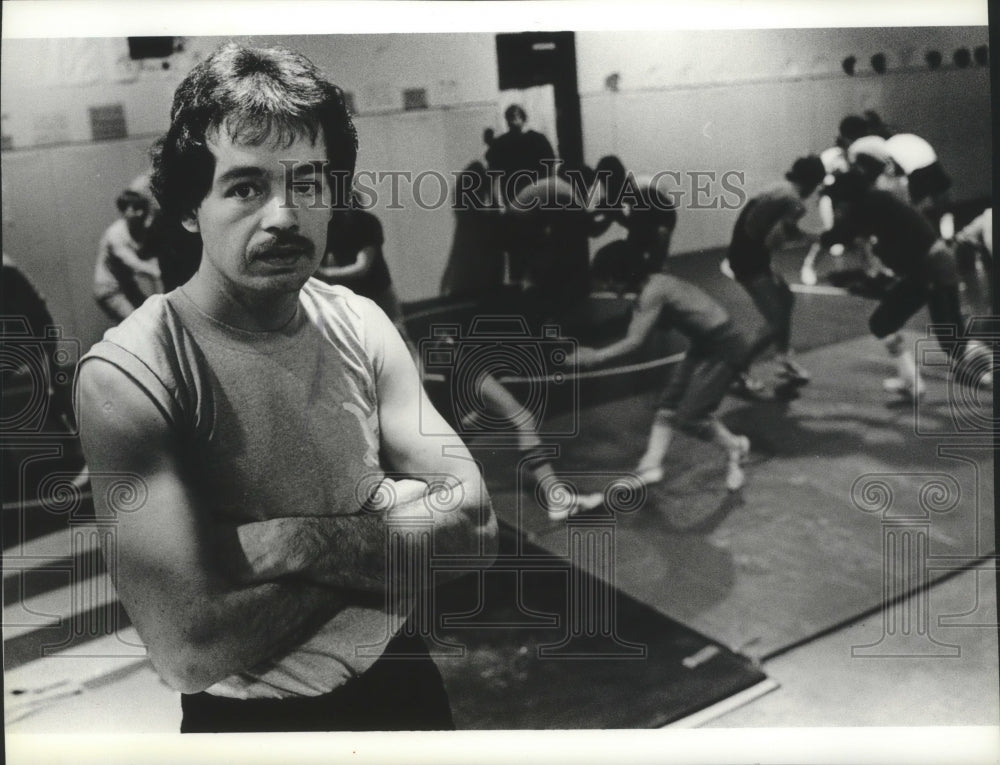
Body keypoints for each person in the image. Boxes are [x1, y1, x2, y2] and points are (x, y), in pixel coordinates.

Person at [75, 42, 497, 733]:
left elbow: (476, 531)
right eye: (245, 187)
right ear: (190, 208)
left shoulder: (361, 322)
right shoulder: (132, 373)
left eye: (307, 183)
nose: (283, 216)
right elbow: (189, 648)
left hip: (402, 679)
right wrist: (394, 523)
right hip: (256, 726)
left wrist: (294, 542)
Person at [572, 240, 752, 492]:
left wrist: (596, 357)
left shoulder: (654, 291)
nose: (609, 287)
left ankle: (736, 446)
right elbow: (628, 323)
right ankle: (651, 464)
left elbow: (635, 341)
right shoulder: (654, 285)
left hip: (724, 347)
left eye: (609, 279)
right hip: (705, 345)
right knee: (667, 404)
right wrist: (579, 337)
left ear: (623, 272)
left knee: (691, 417)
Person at [822, 169, 990, 399]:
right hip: (937, 264)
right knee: (947, 336)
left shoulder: (868, 205)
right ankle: (913, 380)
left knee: (887, 324)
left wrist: (809, 236)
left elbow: (836, 235)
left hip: (930, 270)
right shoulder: (879, 200)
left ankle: (913, 381)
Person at [721, 155, 826, 387]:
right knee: (775, 322)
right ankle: (735, 371)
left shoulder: (780, 189)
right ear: (813, 181)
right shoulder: (794, 202)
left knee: (786, 298)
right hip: (751, 260)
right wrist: (814, 238)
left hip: (748, 253)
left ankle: (783, 356)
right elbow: (775, 240)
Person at [92, 188, 164, 322]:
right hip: (109, 290)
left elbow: (151, 257)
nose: (140, 213)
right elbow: (133, 263)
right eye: (135, 209)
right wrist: (159, 272)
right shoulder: (115, 234)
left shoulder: (140, 228)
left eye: (142, 208)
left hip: (127, 286)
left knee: (152, 319)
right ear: (124, 212)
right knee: (139, 326)